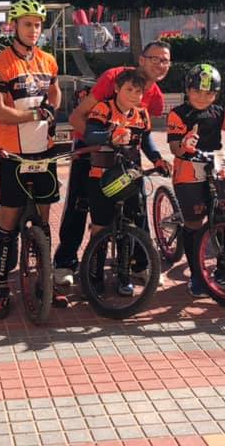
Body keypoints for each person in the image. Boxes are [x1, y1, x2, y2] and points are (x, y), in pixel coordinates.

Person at [54, 41, 171, 287]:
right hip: (91, 150)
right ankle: (65, 263)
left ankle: (138, 265)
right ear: (141, 59)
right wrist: (103, 140)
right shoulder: (114, 77)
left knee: (136, 209)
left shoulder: (155, 97)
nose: (159, 64)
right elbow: (77, 117)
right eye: (154, 58)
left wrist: (156, 157)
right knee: (79, 205)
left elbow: (145, 133)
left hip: (127, 156)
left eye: (165, 60)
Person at [0, 0, 63, 319]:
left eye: (38, 24)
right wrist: (34, 114)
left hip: (44, 151)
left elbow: (55, 91)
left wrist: (53, 110)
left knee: (43, 224)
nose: (34, 29)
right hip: (13, 153)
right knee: (8, 224)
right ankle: (2, 286)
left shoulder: (48, 60)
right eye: (28, 24)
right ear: (13, 26)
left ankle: (45, 281)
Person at [166, 63, 225, 298]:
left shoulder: (220, 113)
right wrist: (185, 145)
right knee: (193, 223)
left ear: (217, 94)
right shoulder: (178, 114)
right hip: (188, 171)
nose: (202, 97)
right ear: (187, 90)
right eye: (197, 91)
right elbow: (173, 146)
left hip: (216, 167)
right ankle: (197, 275)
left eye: (209, 93)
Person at [81, 70, 170, 295]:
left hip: (131, 177)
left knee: (129, 226)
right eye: (129, 89)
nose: (134, 95)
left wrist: (157, 159)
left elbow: (147, 141)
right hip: (102, 177)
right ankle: (95, 276)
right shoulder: (103, 108)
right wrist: (110, 135)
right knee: (100, 226)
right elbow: (90, 134)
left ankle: (124, 275)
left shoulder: (141, 114)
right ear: (117, 89)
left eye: (139, 91)